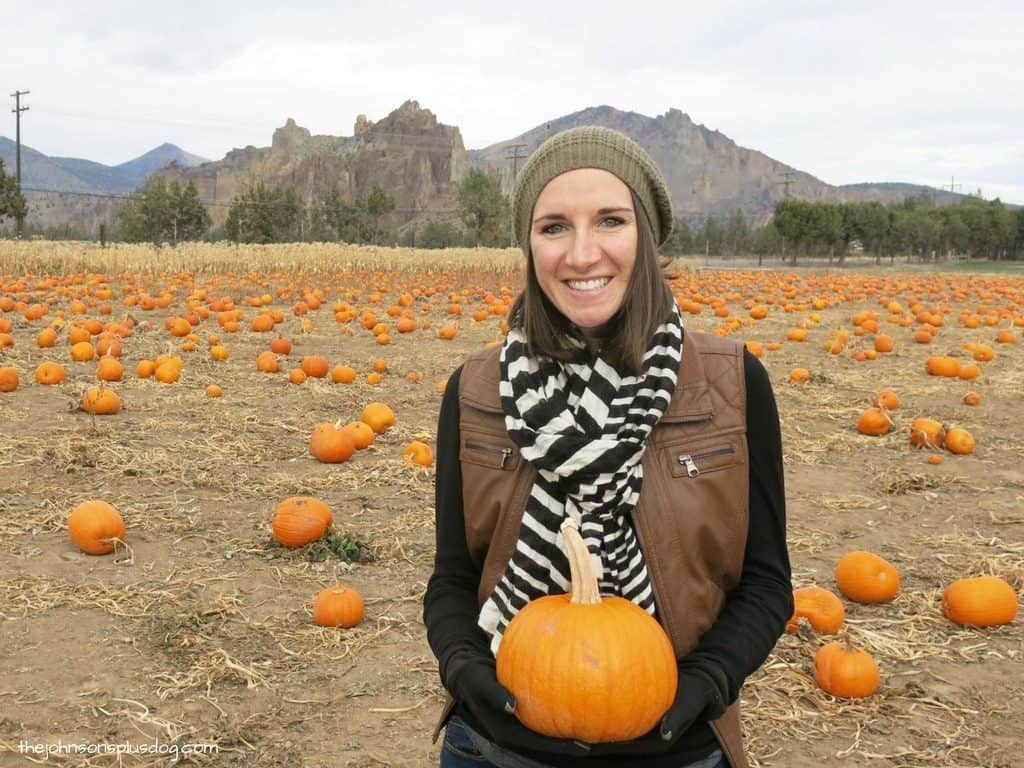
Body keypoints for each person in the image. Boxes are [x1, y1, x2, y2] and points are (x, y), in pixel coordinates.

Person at [423, 126, 792, 768]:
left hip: (676, 748)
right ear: (529, 246)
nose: (582, 253)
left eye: (611, 221)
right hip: (494, 747)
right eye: (554, 227)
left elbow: (765, 582)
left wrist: (704, 685)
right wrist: (464, 670)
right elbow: (453, 575)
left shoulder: (732, 382)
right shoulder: (476, 388)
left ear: (645, 238)